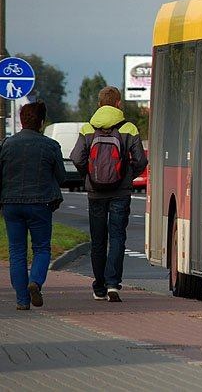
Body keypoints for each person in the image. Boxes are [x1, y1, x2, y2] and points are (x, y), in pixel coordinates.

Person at [0, 101, 66, 310]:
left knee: (17, 251)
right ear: (42, 122)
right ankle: (35, 282)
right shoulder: (51, 145)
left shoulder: (5, 144)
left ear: (21, 121)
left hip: (11, 204)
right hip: (41, 204)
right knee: (41, 248)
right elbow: (62, 176)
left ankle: (22, 300)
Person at [71, 86, 147, 302]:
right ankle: (113, 284)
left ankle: (99, 287)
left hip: (95, 192)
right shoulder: (129, 128)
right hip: (120, 192)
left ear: (99, 104)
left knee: (98, 240)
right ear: (118, 103)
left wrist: (89, 175)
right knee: (117, 237)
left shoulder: (88, 128)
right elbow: (141, 160)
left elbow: (76, 157)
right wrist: (127, 176)